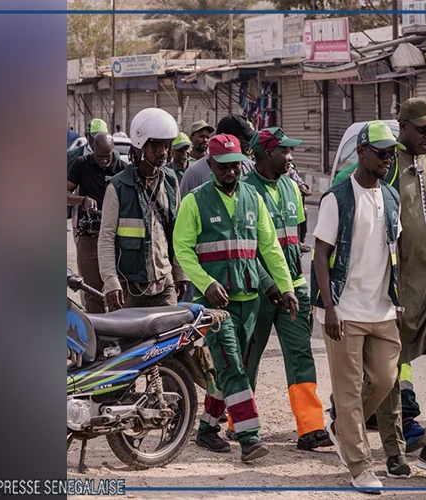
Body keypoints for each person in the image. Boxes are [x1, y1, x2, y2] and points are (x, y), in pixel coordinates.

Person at [173, 133, 299, 462]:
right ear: (211, 164)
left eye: (236, 165)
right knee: (232, 365)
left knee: (231, 366)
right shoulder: (194, 202)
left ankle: (206, 428)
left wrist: (285, 288)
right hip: (214, 305)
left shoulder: (252, 199)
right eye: (224, 166)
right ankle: (249, 436)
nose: (231, 172)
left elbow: (270, 248)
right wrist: (203, 282)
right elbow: (182, 250)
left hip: (248, 299)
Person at [366, 97, 426, 481]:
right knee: (390, 373)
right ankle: (394, 451)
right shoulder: (387, 164)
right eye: (422, 128)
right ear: (401, 126)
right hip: (397, 286)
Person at [313, 120, 405, 493]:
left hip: (382, 310)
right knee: (348, 390)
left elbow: (392, 254)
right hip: (345, 311)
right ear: (361, 153)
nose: (387, 159)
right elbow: (321, 255)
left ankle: (341, 428)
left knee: (385, 378)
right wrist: (330, 308)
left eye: (391, 153)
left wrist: (398, 300)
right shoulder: (338, 198)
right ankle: (360, 465)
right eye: (381, 152)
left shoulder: (392, 198)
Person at [240, 127, 332, 451]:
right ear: (267, 155)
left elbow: (297, 239)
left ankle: (310, 427)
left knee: (300, 354)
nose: (291, 157)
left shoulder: (293, 189)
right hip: (257, 291)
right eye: (285, 151)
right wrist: (269, 285)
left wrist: (293, 281)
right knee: (248, 357)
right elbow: (245, 249)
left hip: (294, 287)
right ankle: (241, 423)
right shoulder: (244, 192)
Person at [97, 108, 189, 310]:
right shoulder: (118, 187)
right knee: (129, 342)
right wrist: (110, 281)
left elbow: (178, 233)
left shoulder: (171, 182)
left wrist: (180, 272)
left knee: (173, 339)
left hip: (165, 284)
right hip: (129, 288)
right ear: (140, 145)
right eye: (156, 146)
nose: (164, 152)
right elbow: (106, 238)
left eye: (167, 145)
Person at [66, 132, 126, 313]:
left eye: (107, 157)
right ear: (93, 149)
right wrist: (82, 200)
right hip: (89, 239)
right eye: (100, 157)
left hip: (115, 240)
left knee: (117, 291)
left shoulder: (122, 168)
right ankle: (98, 336)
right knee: (92, 292)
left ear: (113, 151)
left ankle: (119, 333)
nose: (104, 161)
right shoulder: (82, 165)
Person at [180, 115, 255, 198]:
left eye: (235, 165)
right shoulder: (194, 173)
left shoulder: (251, 168)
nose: (231, 172)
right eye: (245, 141)